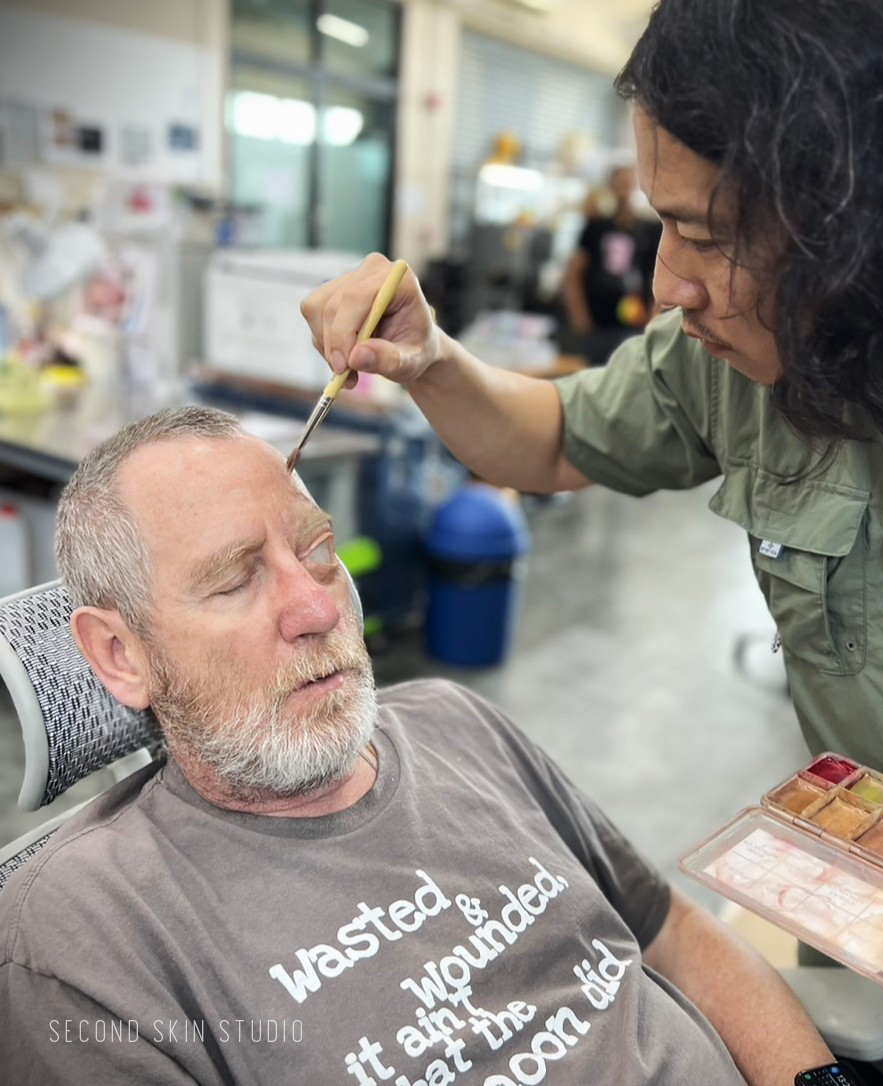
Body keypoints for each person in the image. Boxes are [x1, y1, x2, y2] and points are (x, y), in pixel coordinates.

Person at [300, 1, 883, 1082]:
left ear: (876, 227)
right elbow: (554, 436)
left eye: (710, 238)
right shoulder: (731, 349)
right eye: (663, 227)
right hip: (871, 991)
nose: (668, 285)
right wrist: (431, 358)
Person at [0, 406, 834, 1084]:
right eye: (235, 580)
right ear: (121, 654)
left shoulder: (454, 721)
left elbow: (668, 929)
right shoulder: (89, 933)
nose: (320, 607)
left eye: (317, 550)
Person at [562, 165, 661, 365]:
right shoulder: (595, 227)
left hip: (635, 321)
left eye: (628, 184)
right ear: (610, 188)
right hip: (598, 322)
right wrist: (579, 316)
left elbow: (658, 275)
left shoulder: (649, 230)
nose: (623, 190)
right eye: (618, 184)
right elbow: (573, 274)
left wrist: (654, 317)